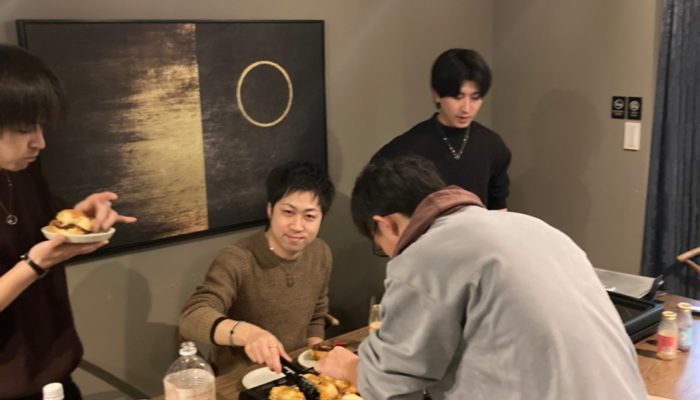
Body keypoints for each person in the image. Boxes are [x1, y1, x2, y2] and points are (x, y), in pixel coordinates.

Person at [315, 155, 646, 399]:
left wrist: (348, 367)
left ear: (385, 224)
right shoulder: (535, 227)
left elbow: (393, 377)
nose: (390, 255)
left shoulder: (424, 254)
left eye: (380, 247)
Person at [0, 44, 137, 399]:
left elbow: (48, 227)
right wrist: (34, 265)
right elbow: (35, 257)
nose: (39, 142)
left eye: (41, 125)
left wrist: (80, 218)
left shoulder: (21, 173)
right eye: (24, 128)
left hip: (54, 374)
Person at [179, 161, 335, 375]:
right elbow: (192, 317)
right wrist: (248, 334)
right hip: (240, 378)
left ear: (321, 218)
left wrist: (317, 359)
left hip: (293, 373)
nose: (297, 226)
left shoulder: (320, 253)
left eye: (309, 216)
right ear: (270, 210)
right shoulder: (237, 258)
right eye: (288, 212)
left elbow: (317, 315)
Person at [372, 48, 511, 210]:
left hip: (478, 226)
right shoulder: (407, 147)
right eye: (457, 97)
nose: (466, 108)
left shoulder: (492, 145)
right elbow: (376, 197)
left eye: (475, 97)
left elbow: (498, 207)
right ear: (436, 94)